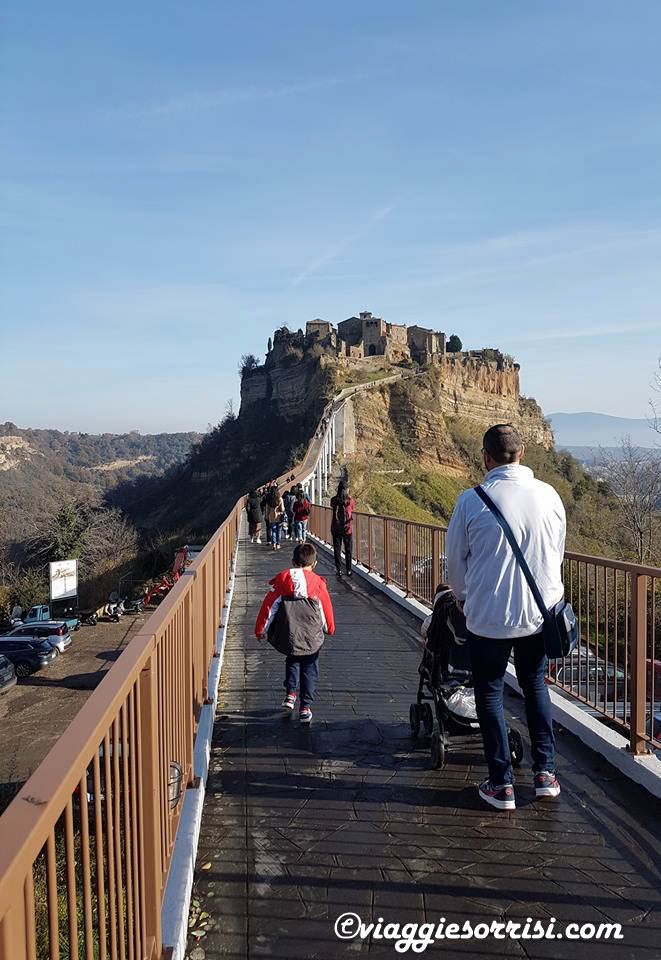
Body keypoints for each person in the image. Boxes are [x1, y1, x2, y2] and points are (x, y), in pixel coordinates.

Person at [446, 423, 566, 812]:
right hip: (538, 614)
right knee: (535, 687)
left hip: (488, 617)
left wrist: (463, 599)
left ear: (486, 457)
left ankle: (502, 784)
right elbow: (556, 553)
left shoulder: (471, 500)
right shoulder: (549, 495)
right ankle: (545, 774)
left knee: (490, 694)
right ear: (523, 454)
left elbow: (455, 563)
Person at [255, 542, 335, 724]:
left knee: (292, 660)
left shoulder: (282, 580)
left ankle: (290, 694)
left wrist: (260, 630)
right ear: (314, 564)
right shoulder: (318, 584)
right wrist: (329, 628)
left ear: (292, 561)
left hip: (290, 635)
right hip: (312, 638)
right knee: (310, 668)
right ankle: (305, 707)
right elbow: (326, 610)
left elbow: (269, 607)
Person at [330, 481, 355, 578]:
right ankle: (348, 570)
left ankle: (338, 570)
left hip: (336, 528)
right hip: (347, 529)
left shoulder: (333, 500)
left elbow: (332, 506)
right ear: (347, 489)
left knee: (337, 549)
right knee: (348, 549)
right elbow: (352, 508)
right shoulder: (350, 501)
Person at [265, 485, 286, 550]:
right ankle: (278, 544)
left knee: (273, 531)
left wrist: (267, 517)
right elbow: (282, 509)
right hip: (279, 517)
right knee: (278, 531)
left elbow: (267, 509)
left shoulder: (269, 499)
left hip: (271, 517)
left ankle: (273, 544)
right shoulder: (280, 499)